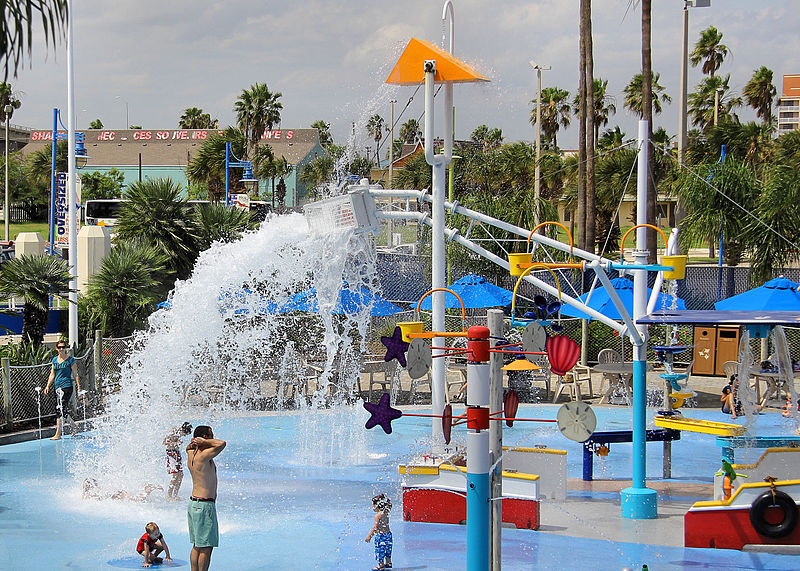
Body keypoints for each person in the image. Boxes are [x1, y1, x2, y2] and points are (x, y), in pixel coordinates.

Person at [186, 425, 226, 571]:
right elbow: (222, 443)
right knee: (206, 548)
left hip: (194, 504)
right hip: (204, 506)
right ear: (204, 437)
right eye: (211, 435)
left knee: (197, 545)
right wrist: (204, 441)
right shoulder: (203, 456)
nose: (213, 437)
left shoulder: (191, 453)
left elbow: (188, 447)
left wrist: (196, 443)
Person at [43, 341, 82, 440]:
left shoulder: (70, 360)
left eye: (63, 347)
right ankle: (74, 426)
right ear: (56, 348)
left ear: (65, 348)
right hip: (57, 387)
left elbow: (75, 374)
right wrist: (47, 386)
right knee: (60, 409)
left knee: (60, 409)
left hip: (67, 386)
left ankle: (58, 433)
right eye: (59, 347)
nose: (61, 349)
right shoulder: (54, 360)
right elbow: (52, 374)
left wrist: (79, 387)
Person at [164, 422, 193, 500]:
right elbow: (164, 442)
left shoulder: (179, 433)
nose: (184, 435)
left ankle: (175, 495)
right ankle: (169, 496)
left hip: (177, 454)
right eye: (185, 434)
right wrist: (176, 443)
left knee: (181, 475)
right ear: (183, 430)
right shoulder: (173, 431)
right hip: (171, 455)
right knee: (175, 476)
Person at [365, 493, 393, 570]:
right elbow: (390, 506)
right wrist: (387, 500)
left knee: (380, 550)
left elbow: (375, 527)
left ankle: (381, 565)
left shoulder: (377, 516)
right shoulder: (386, 512)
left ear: (377, 505)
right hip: (388, 535)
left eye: (373, 505)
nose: (372, 507)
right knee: (388, 549)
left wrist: (369, 536)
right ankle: (388, 562)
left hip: (380, 536)